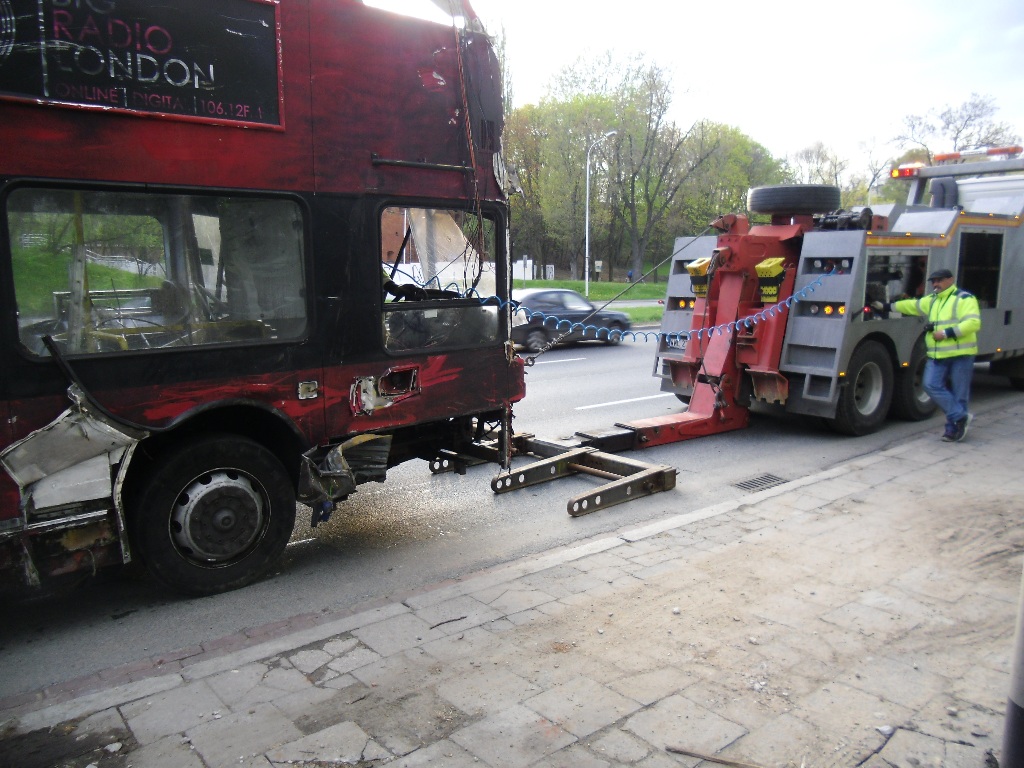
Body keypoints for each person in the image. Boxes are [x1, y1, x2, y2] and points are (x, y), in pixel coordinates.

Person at [873, 268, 981, 442]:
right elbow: (912, 305)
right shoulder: (932, 300)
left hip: (961, 354)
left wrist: (946, 333)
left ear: (950, 280)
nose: (936, 284)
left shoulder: (964, 299)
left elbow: (973, 323)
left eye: (939, 280)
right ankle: (961, 416)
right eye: (933, 281)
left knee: (959, 394)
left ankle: (953, 430)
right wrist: (885, 306)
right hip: (938, 354)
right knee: (930, 385)